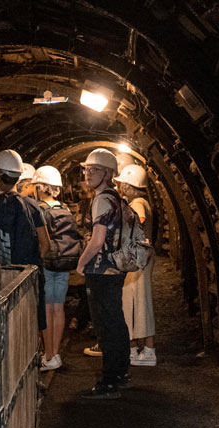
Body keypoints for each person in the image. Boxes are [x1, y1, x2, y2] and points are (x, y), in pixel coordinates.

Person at [76, 148, 129, 399]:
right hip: (116, 267)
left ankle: (109, 382)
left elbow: (97, 240)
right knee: (116, 320)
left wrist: (81, 262)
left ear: (108, 174)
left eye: (95, 170)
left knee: (105, 325)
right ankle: (120, 372)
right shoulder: (116, 197)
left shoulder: (100, 200)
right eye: (86, 169)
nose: (88, 173)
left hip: (101, 268)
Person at [0, 150, 50, 330]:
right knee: (30, 323)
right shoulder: (33, 206)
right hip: (30, 276)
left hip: (4, 278)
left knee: (8, 325)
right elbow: (46, 245)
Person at [32, 165, 80, 372]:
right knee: (57, 307)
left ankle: (48, 354)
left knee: (46, 308)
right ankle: (56, 353)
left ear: (41, 187)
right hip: (63, 262)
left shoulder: (38, 209)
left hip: (46, 262)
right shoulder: (65, 208)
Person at [115, 164, 156, 366]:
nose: (121, 187)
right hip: (141, 257)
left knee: (134, 303)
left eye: (123, 184)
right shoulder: (143, 201)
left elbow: (138, 220)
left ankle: (143, 350)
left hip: (137, 258)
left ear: (131, 186)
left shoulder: (138, 202)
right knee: (138, 302)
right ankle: (143, 348)